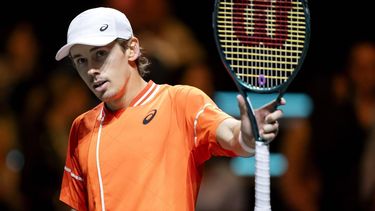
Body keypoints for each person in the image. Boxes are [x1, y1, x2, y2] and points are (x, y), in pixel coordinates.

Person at [55, 7, 285, 210]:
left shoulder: (181, 102)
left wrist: (248, 131)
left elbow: (235, 138)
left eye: (100, 54)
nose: (91, 70)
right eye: (81, 60)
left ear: (132, 49)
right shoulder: (82, 126)